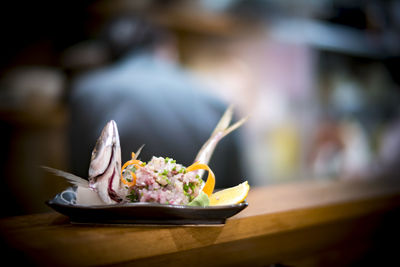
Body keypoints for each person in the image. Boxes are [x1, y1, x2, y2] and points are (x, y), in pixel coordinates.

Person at [68, 16, 244, 189]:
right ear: (166, 47)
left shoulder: (86, 93)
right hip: (206, 213)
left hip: (114, 216)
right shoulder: (214, 97)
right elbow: (241, 186)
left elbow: (82, 180)